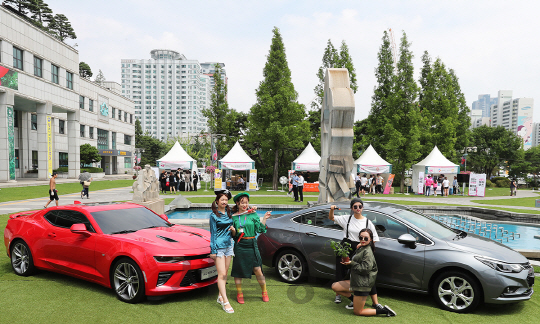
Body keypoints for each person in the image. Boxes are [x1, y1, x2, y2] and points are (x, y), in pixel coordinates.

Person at [328, 198, 381, 309]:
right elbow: (331, 218)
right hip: (346, 247)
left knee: (363, 274)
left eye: (360, 206)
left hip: (360, 249)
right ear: (352, 208)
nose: (357, 209)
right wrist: (332, 209)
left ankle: (375, 302)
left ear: (362, 208)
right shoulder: (346, 219)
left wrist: (363, 245)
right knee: (340, 270)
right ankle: (339, 295)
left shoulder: (367, 222)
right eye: (355, 207)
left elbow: (374, 238)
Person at [332, 229, 396, 317]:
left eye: (366, 238)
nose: (363, 239)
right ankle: (354, 300)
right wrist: (348, 263)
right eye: (361, 237)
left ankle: (384, 311)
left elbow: (365, 269)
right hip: (357, 281)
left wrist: (352, 263)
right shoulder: (361, 248)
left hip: (362, 285)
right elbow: (355, 265)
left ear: (370, 239)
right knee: (335, 286)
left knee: (358, 312)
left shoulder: (367, 252)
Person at [231, 192, 272, 304]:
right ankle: (239, 293)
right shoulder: (234, 217)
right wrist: (234, 231)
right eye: (242, 203)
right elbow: (233, 236)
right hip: (240, 245)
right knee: (238, 271)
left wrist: (264, 218)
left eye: (246, 202)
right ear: (237, 203)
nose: (245, 205)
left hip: (252, 244)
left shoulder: (252, 214)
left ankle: (264, 291)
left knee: (257, 269)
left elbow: (260, 229)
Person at [209, 189, 236, 314]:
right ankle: (226, 302)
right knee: (221, 275)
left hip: (228, 246)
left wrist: (233, 231)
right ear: (217, 201)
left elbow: (232, 231)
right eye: (222, 200)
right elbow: (213, 234)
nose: (224, 201)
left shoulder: (229, 213)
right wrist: (213, 251)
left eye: (226, 199)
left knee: (225, 273)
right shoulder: (213, 216)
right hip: (218, 248)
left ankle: (220, 296)